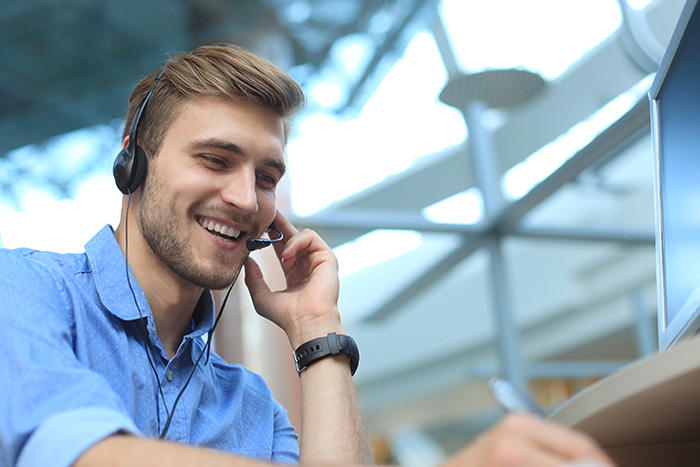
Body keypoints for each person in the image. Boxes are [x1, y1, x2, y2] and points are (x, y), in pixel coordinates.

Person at [0, 44, 616, 467]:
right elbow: (85, 456)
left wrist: (317, 329)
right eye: (215, 160)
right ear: (131, 162)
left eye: (267, 176)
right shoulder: (24, 292)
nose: (246, 199)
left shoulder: (247, 405)